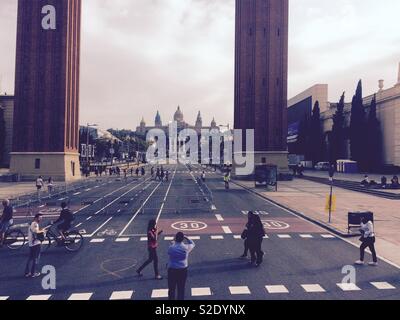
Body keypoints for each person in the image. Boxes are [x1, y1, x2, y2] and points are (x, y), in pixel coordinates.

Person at [167, 232, 195, 301]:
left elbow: (169, 252)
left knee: (171, 288)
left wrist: (174, 240)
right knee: (181, 288)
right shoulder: (186, 247)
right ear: (182, 239)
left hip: (172, 269)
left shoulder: (171, 247)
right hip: (183, 270)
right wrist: (186, 237)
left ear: (176, 238)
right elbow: (193, 243)